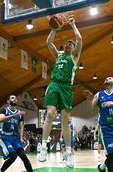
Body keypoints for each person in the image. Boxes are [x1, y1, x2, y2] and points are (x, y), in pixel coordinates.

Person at [38, 15, 82, 169]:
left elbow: (79, 38)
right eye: (68, 42)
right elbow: (48, 42)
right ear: (65, 46)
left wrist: (73, 25)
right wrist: (54, 29)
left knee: (65, 120)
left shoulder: (74, 57)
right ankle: (43, 147)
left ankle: (69, 153)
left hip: (66, 88)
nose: (70, 43)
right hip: (54, 85)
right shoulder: (58, 56)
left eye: (72, 43)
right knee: (50, 113)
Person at [84, 77, 113, 172]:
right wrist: (90, 98)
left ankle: (102, 167)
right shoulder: (99, 94)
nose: (108, 78)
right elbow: (90, 109)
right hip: (106, 128)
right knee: (111, 155)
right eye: (106, 78)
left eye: (110, 78)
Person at [0, 95, 33, 172]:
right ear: (8, 101)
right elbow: (1, 119)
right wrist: (14, 115)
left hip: (15, 137)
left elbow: (21, 127)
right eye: (12, 98)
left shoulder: (19, 114)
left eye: (16, 98)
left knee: (23, 156)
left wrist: (21, 138)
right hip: (4, 137)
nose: (15, 99)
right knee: (13, 156)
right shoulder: (4, 110)